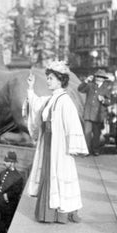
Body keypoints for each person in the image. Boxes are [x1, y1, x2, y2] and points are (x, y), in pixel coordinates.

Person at [26, 61, 88, 224]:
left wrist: (74, 146)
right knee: (48, 174)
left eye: (51, 78)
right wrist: (31, 88)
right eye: (47, 78)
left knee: (60, 174)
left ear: (60, 80)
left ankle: (60, 213)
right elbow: (36, 105)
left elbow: (72, 124)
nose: (48, 81)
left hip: (59, 146)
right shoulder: (51, 98)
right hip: (48, 143)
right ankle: (48, 213)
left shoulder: (65, 100)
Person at [77, 69, 112, 156]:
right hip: (88, 114)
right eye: (97, 77)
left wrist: (103, 100)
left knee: (96, 134)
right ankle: (86, 150)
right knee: (87, 133)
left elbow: (109, 101)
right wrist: (85, 81)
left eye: (100, 77)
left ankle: (96, 150)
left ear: (104, 79)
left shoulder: (106, 88)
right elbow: (80, 89)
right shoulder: (90, 85)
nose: (98, 79)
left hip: (98, 115)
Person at [0, 151, 23, 231]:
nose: (4, 163)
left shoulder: (18, 177)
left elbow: (16, 192)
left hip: (9, 207)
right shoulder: (3, 173)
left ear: (12, 163)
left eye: (6, 161)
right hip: (0, 205)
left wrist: (7, 196)